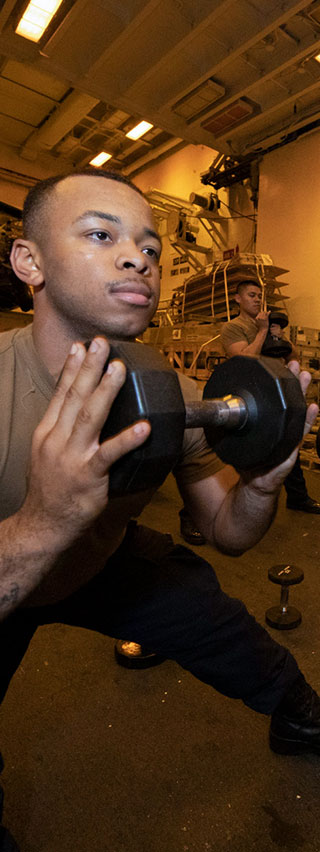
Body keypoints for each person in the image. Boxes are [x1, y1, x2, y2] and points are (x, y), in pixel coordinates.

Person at [1, 169, 320, 848]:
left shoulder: (176, 391)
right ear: (30, 262)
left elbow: (227, 534)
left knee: (217, 621)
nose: (136, 258)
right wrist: (47, 518)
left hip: (102, 560)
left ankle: (299, 713)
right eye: (100, 234)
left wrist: (260, 486)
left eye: (150, 248)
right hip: (9, 572)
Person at [220, 277, 320, 514]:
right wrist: (263, 331)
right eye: (251, 295)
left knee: (287, 441)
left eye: (259, 296)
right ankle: (201, 510)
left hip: (274, 396)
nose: (256, 299)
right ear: (238, 299)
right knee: (232, 452)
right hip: (247, 399)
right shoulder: (233, 327)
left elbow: (293, 358)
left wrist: (279, 336)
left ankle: (297, 497)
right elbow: (243, 361)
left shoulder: (269, 327)